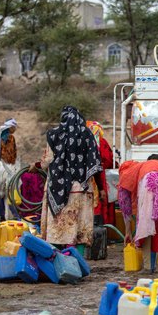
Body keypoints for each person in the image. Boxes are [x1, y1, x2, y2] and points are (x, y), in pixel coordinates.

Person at [38, 106, 105, 255]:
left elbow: (46, 161)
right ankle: (78, 262)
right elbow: (95, 164)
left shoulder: (54, 135)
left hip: (58, 190)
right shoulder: (87, 135)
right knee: (80, 231)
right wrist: (101, 189)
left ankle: (58, 262)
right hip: (82, 190)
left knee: (58, 230)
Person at [118, 159, 158, 266]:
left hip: (149, 179)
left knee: (146, 223)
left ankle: (147, 266)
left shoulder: (127, 174)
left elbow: (125, 205)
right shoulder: (141, 166)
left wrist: (128, 231)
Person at [87, 120, 115, 225]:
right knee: (103, 202)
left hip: (90, 175)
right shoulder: (102, 142)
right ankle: (105, 228)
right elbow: (109, 160)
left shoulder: (85, 142)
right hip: (102, 177)